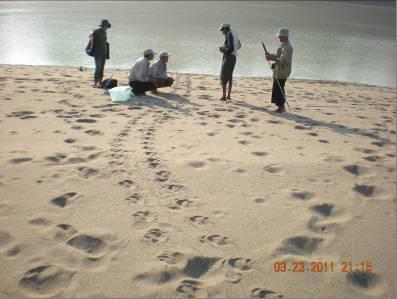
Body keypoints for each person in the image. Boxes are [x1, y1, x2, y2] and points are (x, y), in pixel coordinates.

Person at [265, 27, 293, 113]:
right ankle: (280, 106)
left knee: (279, 89)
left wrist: (273, 58)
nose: (279, 38)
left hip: (283, 71)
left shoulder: (287, 47)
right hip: (279, 70)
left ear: (285, 36)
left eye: (280, 36)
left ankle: (281, 107)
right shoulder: (283, 45)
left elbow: (284, 60)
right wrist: (271, 56)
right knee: (277, 88)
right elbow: (279, 56)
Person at [219, 23, 240, 101]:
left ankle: (224, 96)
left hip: (229, 57)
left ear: (226, 28)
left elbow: (231, 47)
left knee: (224, 75)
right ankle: (228, 95)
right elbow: (239, 45)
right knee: (230, 75)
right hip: (234, 57)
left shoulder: (229, 34)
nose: (222, 32)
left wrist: (224, 51)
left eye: (222, 30)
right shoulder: (234, 33)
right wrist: (233, 50)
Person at [92, 19, 111, 88]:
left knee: (102, 68)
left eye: (107, 26)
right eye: (106, 26)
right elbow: (91, 40)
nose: (106, 27)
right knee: (98, 68)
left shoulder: (105, 32)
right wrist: (92, 33)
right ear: (103, 25)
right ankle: (95, 83)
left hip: (104, 53)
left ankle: (100, 82)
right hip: (97, 53)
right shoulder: (97, 31)